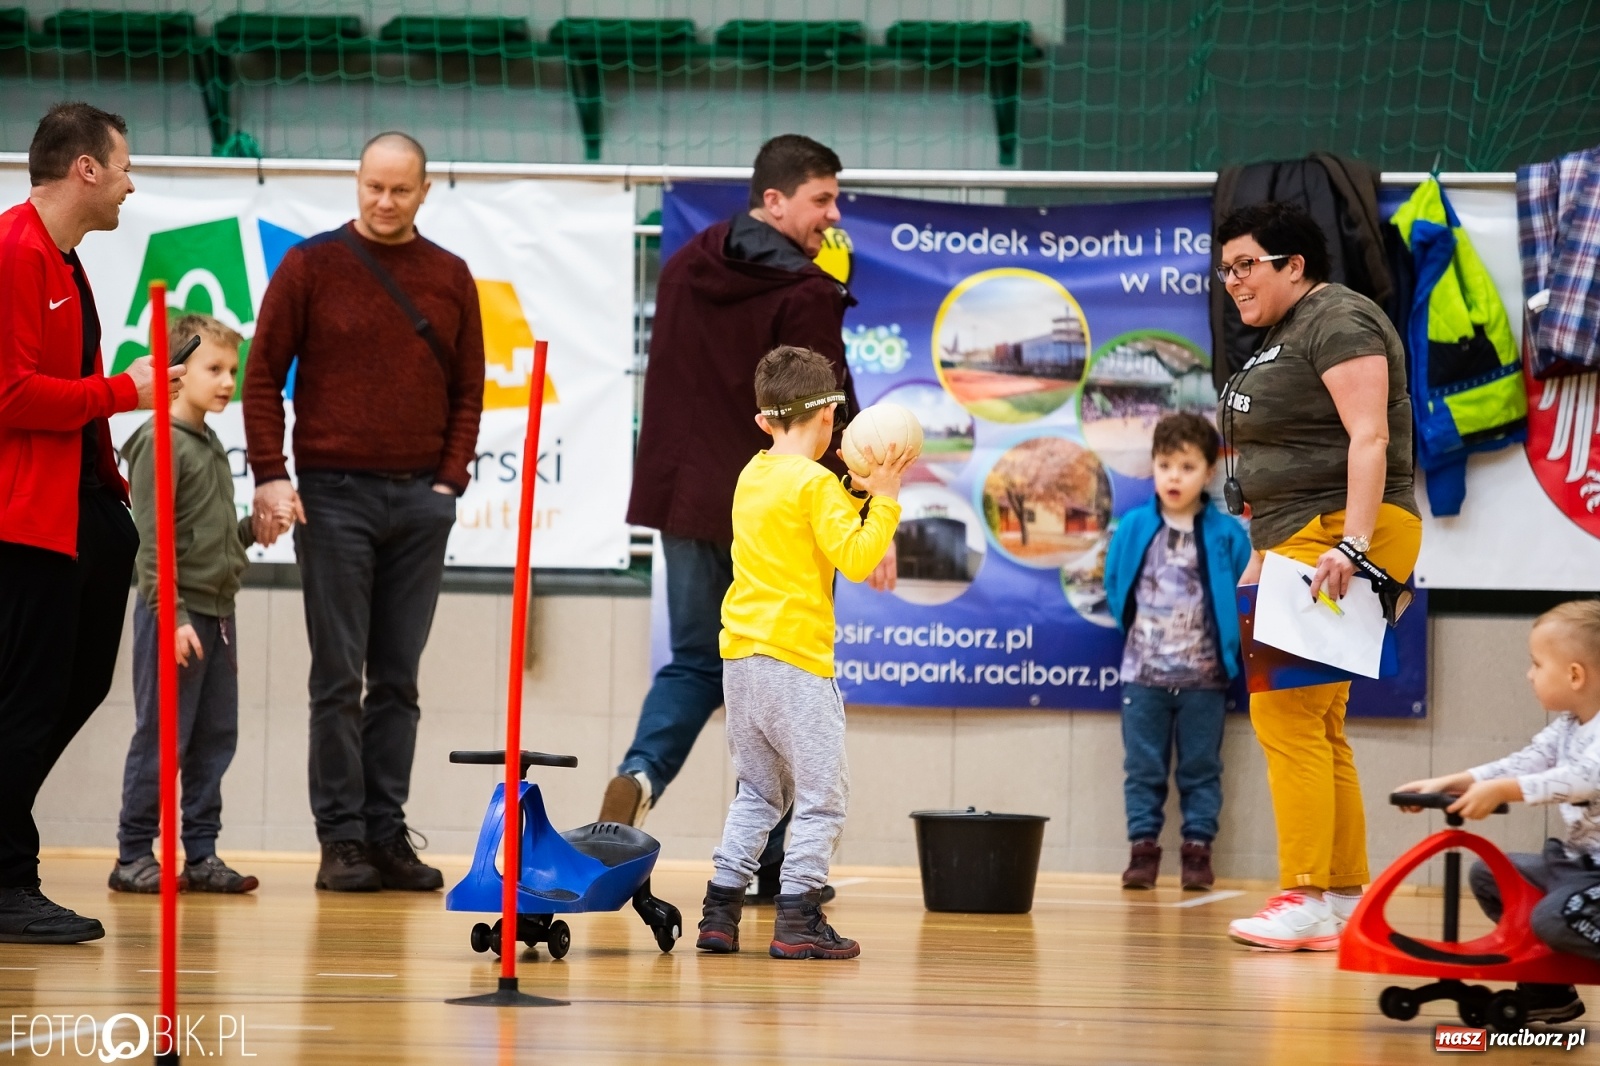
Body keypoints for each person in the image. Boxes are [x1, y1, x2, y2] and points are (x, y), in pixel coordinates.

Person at [605, 134, 884, 903]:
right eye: (822, 199)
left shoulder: (688, 262)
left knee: (698, 663)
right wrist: (862, 506)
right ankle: (770, 869)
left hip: (688, 499)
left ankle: (639, 773)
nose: (833, 216)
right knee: (786, 678)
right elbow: (829, 409)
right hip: (782, 512)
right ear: (774, 201)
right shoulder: (805, 290)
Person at [243, 131, 485, 892]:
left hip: (421, 501)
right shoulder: (309, 265)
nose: (384, 202)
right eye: (372, 187)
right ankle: (340, 841)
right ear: (356, 184)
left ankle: (387, 835)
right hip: (333, 498)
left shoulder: (450, 276)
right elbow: (259, 378)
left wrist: (448, 482)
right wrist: (272, 476)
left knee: (399, 681)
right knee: (336, 678)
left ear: (424, 192)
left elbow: (471, 389)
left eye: (400, 190)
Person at [1213, 201, 1422, 951]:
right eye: (1226, 267)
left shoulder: (1339, 320)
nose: (1233, 280)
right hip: (1298, 535)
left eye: (1247, 264)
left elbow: (1370, 436)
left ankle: (1303, 893)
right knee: (1318, 722)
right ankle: (1338, 902)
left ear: (1293, 264)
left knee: (1289, 719)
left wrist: (1357, 546)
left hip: (1340, 532)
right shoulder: (1284, 334)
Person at [0, 102, 183, 943]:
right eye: (122, 164)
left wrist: (111, 493)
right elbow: (10, 396)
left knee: (72, 691)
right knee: (27, 702)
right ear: (85, 169)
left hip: (78, 512)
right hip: (25, 524)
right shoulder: (12, 253)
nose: (129, 180)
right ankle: (9, 882)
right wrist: (126, 390)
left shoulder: (63, 262)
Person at [695, 346, 910, 959]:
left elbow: (803, 514)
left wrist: (853, 490)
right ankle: (797, 917)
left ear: (764, 420)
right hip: (795, 663)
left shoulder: (752, 474)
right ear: (829, 418)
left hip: (741, 661)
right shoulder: (815, 484)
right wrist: (887, 494)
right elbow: (858, 557)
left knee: (759, 793)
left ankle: (720, 910)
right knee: (822, 797)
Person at [111, 313, 292, 896]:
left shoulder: (208, 443)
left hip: (218, 615)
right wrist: (173, 616)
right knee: (163, 737)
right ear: (177, 371)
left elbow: (203, 535)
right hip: (178, 615)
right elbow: (151, 541)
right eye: (213, 368)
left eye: (232, 371)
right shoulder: (159, 444)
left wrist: (251, 530)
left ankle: (202, 852)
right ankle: (134, 853)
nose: (226, 381)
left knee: (215, 736)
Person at [1396, 601, 1600, 1025]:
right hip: (1576, 865)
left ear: (1575, 675)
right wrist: (1452, 781)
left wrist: (1504, 791)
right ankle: (1550, 992)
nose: (1529, 674)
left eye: (1536, 664)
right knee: (1492, 875)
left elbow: (1582, 779)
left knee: (1553, 917)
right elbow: (1525, 762)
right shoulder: (1568, 724)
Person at [1103, 413, 1252, 892]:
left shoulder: (1227, 535)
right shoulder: (1134, 526)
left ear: (1209, 472)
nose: (1173, 476)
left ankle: (1197, 852)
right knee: (1142, 769)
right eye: (1165, 464)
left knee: (1201, 769)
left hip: (1205, 679)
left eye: (1186, 467)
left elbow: (1245, 592)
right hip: (1143, 675)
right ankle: (1142, 852)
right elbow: (1114, 584)